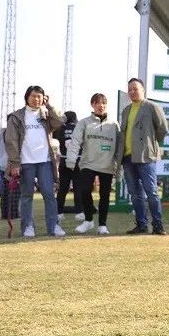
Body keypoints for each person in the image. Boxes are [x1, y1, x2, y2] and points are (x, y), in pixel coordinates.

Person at [4, 85, 66, 237]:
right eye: (34, 96)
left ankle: (54, 227)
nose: (37, 99)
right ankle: (28, 227)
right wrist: (15, 163)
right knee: (27, 196)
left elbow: (59, 121)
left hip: (44, 161)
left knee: (49, 194)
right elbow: (11, 140)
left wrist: (49, 106)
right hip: (25, 162)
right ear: (27, 97)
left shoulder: (46, 115)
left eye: (40, 96)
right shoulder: (16, 117)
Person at [67, 93, 122, 235]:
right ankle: (89, 220)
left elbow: (119, 146)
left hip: (107, 165)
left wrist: (119, 166)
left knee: (105, 195)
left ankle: (102, 225)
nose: (101, 105)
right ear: (92, 105)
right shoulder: (84, 123)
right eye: (98, 103)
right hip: (88, 163)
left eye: (104, 103)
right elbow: (75, 142)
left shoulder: (114, 124)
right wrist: (71, 160)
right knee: (84, 190)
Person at [119, 78, 168, 235]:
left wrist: (151, 145)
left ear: (143, 90)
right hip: (127, 157)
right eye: (130, 90)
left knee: (151, 192)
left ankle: (158, 225)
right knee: (135, 194)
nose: (133, 92)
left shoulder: (152, 107)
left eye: (135, 89)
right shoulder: (126, 110)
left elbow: (162, 129)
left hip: (146, 156)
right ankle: (141, 224)